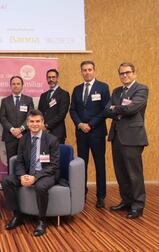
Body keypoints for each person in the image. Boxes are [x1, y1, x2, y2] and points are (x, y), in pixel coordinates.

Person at [2, 109, 59, 236]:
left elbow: (53, 166)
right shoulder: (24, 139)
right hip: (28, 172)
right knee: (7, 181)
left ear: (42, 122)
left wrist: (35, 177)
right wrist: (22, 175)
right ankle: (18, 215)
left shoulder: (52, 140)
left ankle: (42, 221)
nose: (34, 124)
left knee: (40, 186)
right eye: (32, 121)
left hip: (45, 174)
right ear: (27, 123)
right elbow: (19, 161)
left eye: (38, 121)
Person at [106, 63, 148, 219]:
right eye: (121, 73)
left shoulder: (141, 89)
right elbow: (106, 109)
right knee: (121, 172)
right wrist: (116, 110)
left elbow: (132, 108)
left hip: (132, 137)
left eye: (127, 73)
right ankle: (126, 201)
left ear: (134, 73)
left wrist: (115, 109)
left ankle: (138, 205)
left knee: (134, 173)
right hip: (116, 136)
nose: (124, 75)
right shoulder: (116, 91)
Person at [69, 60, 110, 208]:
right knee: (82, 165)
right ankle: (82, 194)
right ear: (81, 72)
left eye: (89, 69)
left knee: (100, 165)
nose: (87, 72)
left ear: (94, 71)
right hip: (81, 133)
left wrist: (90, 124)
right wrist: (80, 124)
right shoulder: (77, 89)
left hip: (97, 133)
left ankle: (101, 196)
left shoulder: (103, 87)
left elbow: (106, 110)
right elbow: (72, 110)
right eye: (84, 70)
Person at [0, 75, 34, 171]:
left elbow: (30, 117)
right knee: (11, 161)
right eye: (13, 84)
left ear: (22, 85)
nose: (16, 86)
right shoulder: (5, 101)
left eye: (18, 83)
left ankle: (24, 183)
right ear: (10, 86)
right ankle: (11, 183)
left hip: (24, 136)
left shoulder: (28, 100)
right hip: (10, 137)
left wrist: (21, 129)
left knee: (25, 161)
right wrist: (13, 130)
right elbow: (2, 118)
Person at [38, 69, 70, 144]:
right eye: (49, 77)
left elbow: (62, 114)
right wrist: (42, 126)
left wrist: (47, 126)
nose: (51, 79)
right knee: (44, 155)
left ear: (57, 78)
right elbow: (39, 113)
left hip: (57, 133)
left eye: (53, 77)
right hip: (43, 132)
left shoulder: (64, 94)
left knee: (57, 155)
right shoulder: (43, 95)